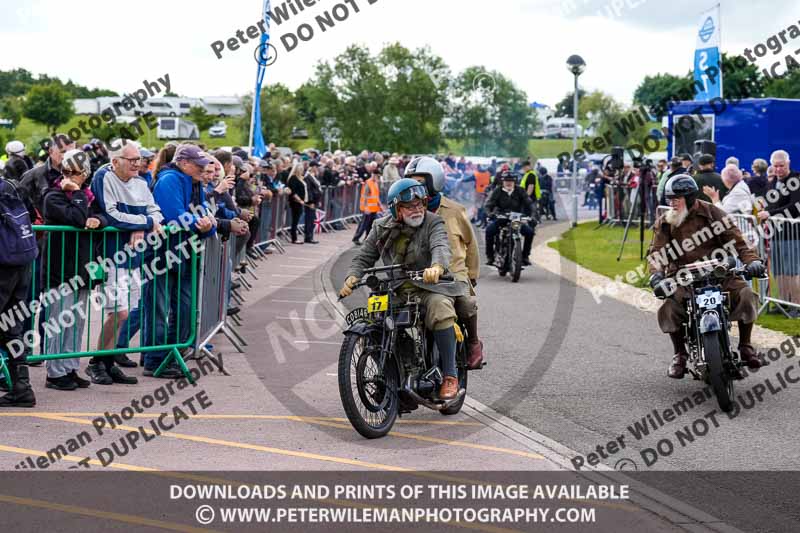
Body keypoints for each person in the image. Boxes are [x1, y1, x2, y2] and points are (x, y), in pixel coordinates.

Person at [338, 178, 461, 399]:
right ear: (396, 209)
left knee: (440, 307)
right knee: (374, 318)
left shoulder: (433, 222)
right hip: (395, 289)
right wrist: (352, 277)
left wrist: (436, 267)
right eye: (410, 206)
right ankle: (395, 371)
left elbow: (440, 246)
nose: (417, 210)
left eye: (420, 204)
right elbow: (364, 256)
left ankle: (450, 375)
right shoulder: (380, 226)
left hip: (428, 287)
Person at [648, 175, 764, 378]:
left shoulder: (713, 213)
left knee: (746, 293)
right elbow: (656, 252)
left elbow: (739, 242)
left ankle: (746, 346)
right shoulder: (665, 222)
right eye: (669, 199)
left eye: (677, 198)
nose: (672, 203)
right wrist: (657, 276)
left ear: (691, 197)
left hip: (718, 273)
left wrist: (751, 261)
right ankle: (680, 354)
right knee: (669, 306)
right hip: (683, 276)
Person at [90, 139, 163, 384]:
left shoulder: (142, 182)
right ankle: (97, 362)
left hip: (136, 257)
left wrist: (143, 224)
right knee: (118, 312)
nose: (137, 163)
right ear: (115, 161)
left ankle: (108, 361)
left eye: (138, 159)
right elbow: (111, 214)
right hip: (113, 255)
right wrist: (142, 223)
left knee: (126, 311)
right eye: (131, 160)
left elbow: (156, 212)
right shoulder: (104, 177)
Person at [405, 156, 484, 370]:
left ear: (434, 182)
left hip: (453, 273)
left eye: (420, 183)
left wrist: (472, 276)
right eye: (411, 182)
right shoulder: (406, 211)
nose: (415, 188)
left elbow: (471, 245)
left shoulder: (455, 211)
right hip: (420, 275)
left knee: (466, 304)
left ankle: (473, 342)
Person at [148, 145, 215, 378]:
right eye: (198, 165)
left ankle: (171, 354)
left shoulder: (195, 183)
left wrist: (208, 224)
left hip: (186, 253)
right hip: (162, 252)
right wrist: (201, 222)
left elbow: (207, 214)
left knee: (185, 307)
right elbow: (172, 214)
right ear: (184, 162)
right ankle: (155, 359)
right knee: (157, 308)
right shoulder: (169, 180)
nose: (202, 169)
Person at [40, 149, 100, 391]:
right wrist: (75, 193)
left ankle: (70, 366)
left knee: (76, 322)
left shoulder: (88, 196)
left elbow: (99, 216)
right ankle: (54, 373)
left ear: (84, 174)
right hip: (60, 269)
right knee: (58, 321)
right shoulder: (53, 196)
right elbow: (77, 218)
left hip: (82, 267)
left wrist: (100, 221)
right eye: (65, 171)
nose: (68, 176)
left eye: (74, 173)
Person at [0, 170, 38, 407]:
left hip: (4, 264)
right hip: (21, 260)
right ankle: (22, 387)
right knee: (12, 327)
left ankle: (21, 387)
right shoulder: (10, 185)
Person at [757, 150, 800, 308]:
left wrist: (769, 213)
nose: (778, 169)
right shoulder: (771, 182)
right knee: (779, 272)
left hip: (793, 234)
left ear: (788, 164)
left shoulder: (796, 180)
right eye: (775, 166)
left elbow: (796, 207)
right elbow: (769, 203)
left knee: (792, 272)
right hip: (776, 234)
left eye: (781, 166)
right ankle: (783, 304)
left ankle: (796, 305)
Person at [484, 171, 535, 267]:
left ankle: (524, 257)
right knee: (489, 231)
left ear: (515, 182)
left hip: (516, 219)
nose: (509, 182)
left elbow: (530, 204)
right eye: (506, 180)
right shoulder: (497, 191)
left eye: (511, 181)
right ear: (502, 181)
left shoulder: (520, 190)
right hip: (501, 218)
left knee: (529, 232)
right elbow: (488, 204)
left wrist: (533, 216)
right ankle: (490, 256)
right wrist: (490, 214)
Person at [352, 166, 382, 245]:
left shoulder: (375, 183)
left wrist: (380, 205)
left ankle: (367, 239)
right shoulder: (368, 183)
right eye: (377, 176)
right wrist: (365, 208)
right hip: (368, 209)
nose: (378, 178)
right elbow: (364, 196)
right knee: (363, 225)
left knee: (370, 225)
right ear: (373, 175)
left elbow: (376, 195)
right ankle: (356, 238)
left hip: (374, 209)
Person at [285, 162, 308, 244]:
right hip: (295, 202)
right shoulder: (293, 178)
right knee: (295, 220)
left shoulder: (300, 178)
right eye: (300, 169)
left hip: (299, 202)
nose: (302, 171)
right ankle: (294, 238)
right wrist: (299, 200)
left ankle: (294, 237)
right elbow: (293, 192)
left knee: (297, 220)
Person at [304, 161, 322, 244]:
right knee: (309, 219)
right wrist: (310, 201)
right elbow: (308, 190)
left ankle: (310, 236)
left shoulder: (314, 176)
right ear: (312, 167)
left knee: (312, 218)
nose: (317, 168)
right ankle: (308, 237)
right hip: (311, 202)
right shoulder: (308, 177)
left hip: (315, 201)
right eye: (316, 166)